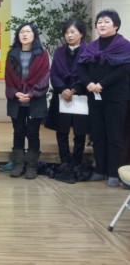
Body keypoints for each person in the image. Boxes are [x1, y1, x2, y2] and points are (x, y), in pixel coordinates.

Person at [77, 9, 130, 187]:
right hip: (94, 96)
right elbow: (81, 67)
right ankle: (100, 169)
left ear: (116, 26)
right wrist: (88, 83)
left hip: (116, 97)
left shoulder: (124, 45)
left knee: (115, 136)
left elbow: (124, 69)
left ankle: (114, 172)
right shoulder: (91, 46)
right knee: (97, 134)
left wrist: (102, 84)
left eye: (107, 21)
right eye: (99, 22)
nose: (102, 24)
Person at [44, 19, 90, 183]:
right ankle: (65, 160)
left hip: (81, 95)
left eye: (73, 32)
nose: (69, 35)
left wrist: (74, 89)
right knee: (61, 130)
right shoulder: (59, 52)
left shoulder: (88, 50)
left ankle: (77, 161)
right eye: (67, 33)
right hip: (61, 95)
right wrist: (63, 89)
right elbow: (54, 73)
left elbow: (88, 74)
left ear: (81, 33)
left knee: (80, 131)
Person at [5, 22, 50, 179]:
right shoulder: (12, 53)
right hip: (16, 99)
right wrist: (16, 93)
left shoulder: (42, 54)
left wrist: (32, 93)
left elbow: (45, 76)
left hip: (35, 100)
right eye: (21, 32)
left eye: (28, 31)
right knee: (18, 132)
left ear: (34, 35)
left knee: (32, 133)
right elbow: (8, 78)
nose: (24, 34)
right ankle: (18, 165)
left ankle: (32, 166)